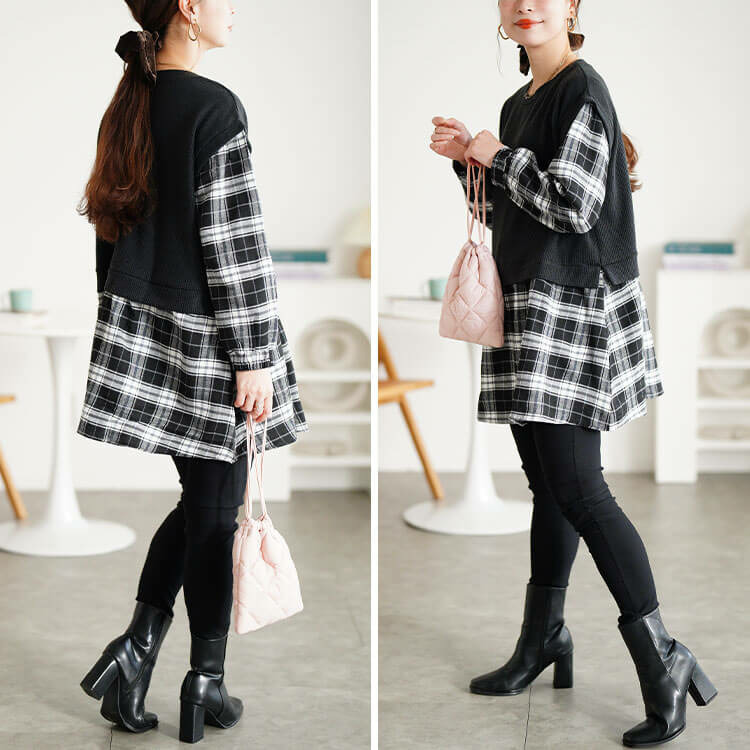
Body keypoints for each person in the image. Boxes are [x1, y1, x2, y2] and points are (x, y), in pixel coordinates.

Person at [429, 1, 716, 746]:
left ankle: (664, 658)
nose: (526, 5)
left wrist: (496, 155)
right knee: (550, 487)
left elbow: (574, 204)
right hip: (527, 303)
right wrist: (469, 162)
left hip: (573, 309)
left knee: (582, 491)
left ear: (572, 8)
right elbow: (507, 215)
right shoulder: (515, 104)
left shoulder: (583, 88)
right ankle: (544, 638)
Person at [76, 1, 308, 743]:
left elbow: (108, 232)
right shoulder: (213, 106)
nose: (232, 9)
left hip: (152, 331)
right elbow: (234, 241)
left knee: (206, 501)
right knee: (213, 511)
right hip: (213, 341)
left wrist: (124, 328)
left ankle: (137, 654)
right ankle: (202, 681)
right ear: (188, 9)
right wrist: (254, 356)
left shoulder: (129, 104)